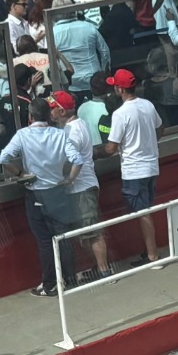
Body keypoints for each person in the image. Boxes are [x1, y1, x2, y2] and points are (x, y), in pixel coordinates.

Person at [0, 101, 81, 297]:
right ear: (49, 116)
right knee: (63, 237)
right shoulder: (60, 134)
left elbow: (3, 158)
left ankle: (50, 284)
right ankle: (70, 279)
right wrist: (69, 179)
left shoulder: (22, 135)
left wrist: (20, 174)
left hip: (36, 193)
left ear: (30, 116)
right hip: (58, 191)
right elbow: (77, 160)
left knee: (45, 241)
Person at [48, 91, 111, 284]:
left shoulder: (72, 132)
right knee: (85, 234)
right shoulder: (78, 124)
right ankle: (99, 268)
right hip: (83, 187)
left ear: (61, 111)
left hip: (82, 188)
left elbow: (72, 161)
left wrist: (66, 177)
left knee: (92, 233)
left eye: (52, 108)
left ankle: (105, 272)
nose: (50, 112)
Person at [103, 68, 164, 264]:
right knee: (145, 212)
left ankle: (153, 256)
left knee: (142, 214)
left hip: (134, 171)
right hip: (151, 167)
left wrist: (94, 152)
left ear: (120, 89)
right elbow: (160, 128)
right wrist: (148, 142)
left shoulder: (120, 114)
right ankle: (149, 252)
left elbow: (111, 147)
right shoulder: (148, 105)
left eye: (115, 86)